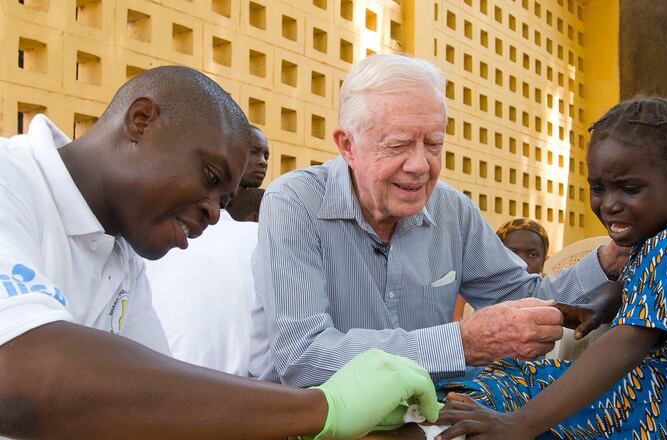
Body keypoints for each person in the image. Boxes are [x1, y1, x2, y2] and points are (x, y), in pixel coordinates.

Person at [0, 66, 441, 439]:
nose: (213, 214)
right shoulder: (11, 181)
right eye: (210, 176)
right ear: (141, 121)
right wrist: (325, 408)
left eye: (226, 200)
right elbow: (24, 372)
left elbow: (162, 406)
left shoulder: (121, 260)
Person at [249, 53, 629, 387]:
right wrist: (460, 344)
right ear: (348, 145)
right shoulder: (294, 204)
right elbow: (303, 357)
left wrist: (607, 261)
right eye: (397, 145)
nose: (420, 166)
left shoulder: (453, 211)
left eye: (433, 144)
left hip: (431, 418)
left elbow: (526, 299)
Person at [434, 97, 667, 439]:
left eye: (629, 189)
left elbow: (628, 343)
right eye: (598, 188)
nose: (610, 205)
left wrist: (519, 425)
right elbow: (657, 287)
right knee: (513, 382)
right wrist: (608, 299)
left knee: (514, 391)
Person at [145, 125, 268, 375]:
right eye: (253, 153)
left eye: (266, 155)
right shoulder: (262, 241)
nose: (262, 162)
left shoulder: (148, 246)